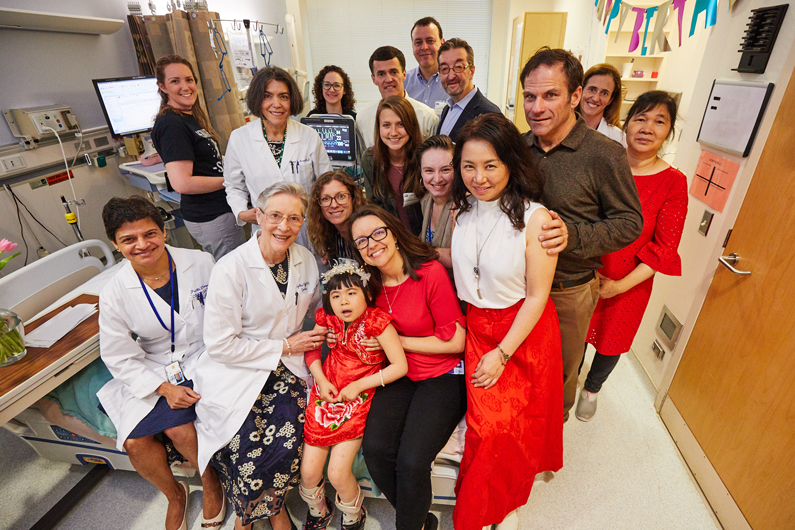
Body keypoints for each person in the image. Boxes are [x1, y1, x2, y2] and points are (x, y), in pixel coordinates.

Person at [450, 113, 563, 530]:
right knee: (485, 427)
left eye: (490, 165)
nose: (478, 177)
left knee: (508, 427)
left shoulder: (537, 219)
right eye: (469, 166)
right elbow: (467, 266)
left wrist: (502, 353)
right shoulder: (464, 210)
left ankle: (507, 504)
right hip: (478, 326)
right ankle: (486, 506)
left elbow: (537, 296)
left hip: (522, 332)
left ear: (511, 164)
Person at [194, 182, 329, 530]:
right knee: (243, 442)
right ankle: (264, 511)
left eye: (294, 218)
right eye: (275, 216)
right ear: (258, 216)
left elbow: (314, 310)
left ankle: (263, 508)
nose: (284, 226)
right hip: (237, 369)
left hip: (288, 369)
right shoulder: (231, 268)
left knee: (286, 440)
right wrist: (284, 346)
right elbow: (220, 345)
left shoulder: (304, 260)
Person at [521, 47, 643, 422]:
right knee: (522, 369)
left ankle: (548, 443)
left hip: (568, 290)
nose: (537, 107)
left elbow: (629, 222)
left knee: (559, 373)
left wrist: (572, 236)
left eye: (550, 95)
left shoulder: (604, 154)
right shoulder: (518, 146)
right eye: (529, 96)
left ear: (575, 96)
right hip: (516, 286)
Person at [96, 196, 225, 530]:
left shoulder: (200, 262)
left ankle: (211, 483)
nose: (142, 245)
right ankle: (174, 494)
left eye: (149, 233)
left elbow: (227, 311)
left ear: (163, 231)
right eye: (128, 239)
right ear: (115, 244)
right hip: (154, 365)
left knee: (179, 428)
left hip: (205, 354)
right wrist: (163, 388)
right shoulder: (114, 291)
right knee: (135, 443)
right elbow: (117, 354)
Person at [347, 205, 466, 530]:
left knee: (412, 461)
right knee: (375, 451)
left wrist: (397, 342)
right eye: (361, 241)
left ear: (394, 234)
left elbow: (456, 341)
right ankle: (418, 519)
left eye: (377, 233)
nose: (372, 244)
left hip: (443, 374)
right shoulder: (368, 286)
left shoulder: (429, 272)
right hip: (399, 373)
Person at [578, 91, 687, 421]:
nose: (647, 127)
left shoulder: (673, 182)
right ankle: (566, 385)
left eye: (659, 121)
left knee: (613, 338)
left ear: (668, 132)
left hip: (631, 280)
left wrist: (618, 285)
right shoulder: (603, 162)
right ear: (626, 123)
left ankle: (591, 390)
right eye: (640, 118)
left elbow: (665, 247)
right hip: (585, 270)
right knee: (574, 332)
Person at [299, 261, 408, 530]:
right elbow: (311, 351)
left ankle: (352, 513)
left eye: (351, 293)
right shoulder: (328, 320)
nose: (343, 301)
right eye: (335, 296)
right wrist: (321, 380)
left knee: (337, 472)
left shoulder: (377, 323)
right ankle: (318, 510)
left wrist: (359, 386)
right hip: (326, 393)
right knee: (308, 472)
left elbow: (400, 366)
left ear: (367, 294)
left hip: (357, 399)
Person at [224, 66, 333, 249]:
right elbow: (234, 186)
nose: (277, 104)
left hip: (307, 229)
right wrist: (242, 213)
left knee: (310, 274)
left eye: (283, 96)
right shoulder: (240, 138)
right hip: (266, 228)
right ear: (257, 99)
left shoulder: (309, 136)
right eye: (267, 96)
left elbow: (326, 183)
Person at [151, 55, 245, 261]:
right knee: (235, 273)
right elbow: (182, 183)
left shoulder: (186, 118)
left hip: (217, 212)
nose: (185, 86)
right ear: (163, 87)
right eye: (175, 81)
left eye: (189, 79)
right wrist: (233, 179)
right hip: (212, 216)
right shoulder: (172, 125)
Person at [362, 96, 424, 234]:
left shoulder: (424, 156)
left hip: (423, 239)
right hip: (390, 239)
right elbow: (374, 208)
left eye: (401, 124)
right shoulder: (370, 159)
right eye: (386, 125)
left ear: (411, 125)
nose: (394, 132)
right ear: (379, 127)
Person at [356, 46, 439, 148]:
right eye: (381, 74)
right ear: (374, 79)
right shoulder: (363, 118)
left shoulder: (428, 117)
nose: (388, 79)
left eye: (394, 72)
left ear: (404, 74)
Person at [436, 38, 501, 142]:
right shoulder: (447, 109)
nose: (451, 76)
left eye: (458, 67)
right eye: (444, 69)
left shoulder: (489, 114)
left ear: (471, 71)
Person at [407, 135, 455, 270]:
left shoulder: (463, 206)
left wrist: (421, 250)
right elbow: (427, 237)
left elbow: (458, 259)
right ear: (420, 173)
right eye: (429, 170)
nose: (437, 179)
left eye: (445, 170)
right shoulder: (426, 200)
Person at [307, 170, 367, 264]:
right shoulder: (328, 237)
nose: (334, 205)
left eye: (341, 196)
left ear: (353, 197)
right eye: (326, 199)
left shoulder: (369, 232)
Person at [404, 17, 448, 113]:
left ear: (442, 44)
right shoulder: (403, 82)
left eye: (430, 41)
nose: (424, 47)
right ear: (412, 47)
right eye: (418, 42)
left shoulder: (453, 82)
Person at [577, 63, 625, 144]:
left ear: (611, 100)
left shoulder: (619, 138)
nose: (596, 98)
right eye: (592, 89)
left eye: (604, 93)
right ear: (580, 91)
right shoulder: (559, 127)